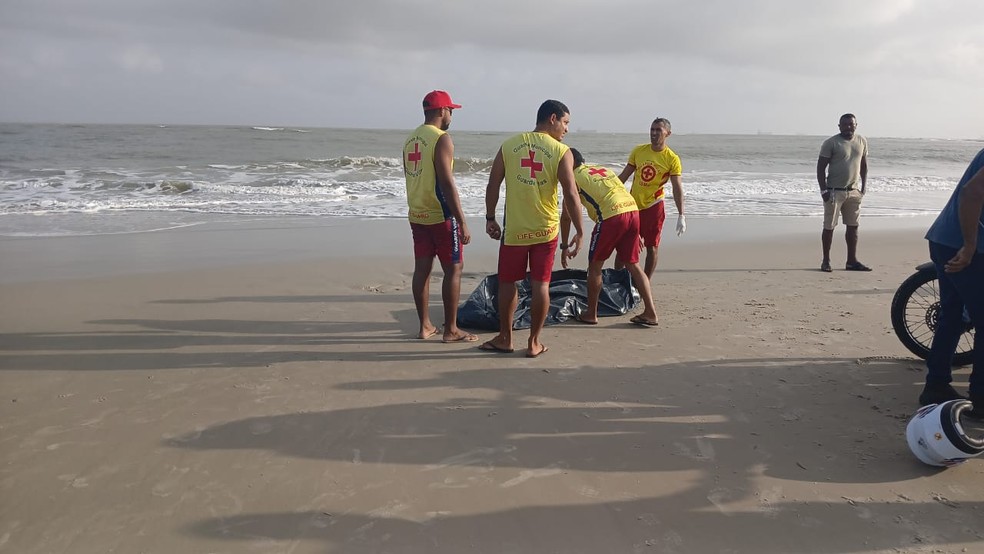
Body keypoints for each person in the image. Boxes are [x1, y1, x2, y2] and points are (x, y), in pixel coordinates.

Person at [480, 99, 585, 358]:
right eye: (565, 122)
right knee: (541, 285)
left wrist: (490, 218)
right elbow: (571, 194)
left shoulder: (509, 145)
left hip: (515, 229)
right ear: (552, 118)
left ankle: (505, 338)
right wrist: (580, 231)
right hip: (546, 230)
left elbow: (493, 185)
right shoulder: (562, 151)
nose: (566, 129)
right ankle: (534, 342)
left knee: (508, 282)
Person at [402, 90, 476, 343]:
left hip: (417, 213)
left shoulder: (411, 139)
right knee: (454, 268)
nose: (452, 115)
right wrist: (462, 220)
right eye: (451, 110)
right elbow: (446, 181)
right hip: (440, 215)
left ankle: (424, 326)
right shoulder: (441, 139)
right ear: (441, 111)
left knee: (422, 269)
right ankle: (451, 330)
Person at [917, 147, 984, 418]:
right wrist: (968, 247)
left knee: (952, 316)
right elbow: (971, 193)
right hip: (964, 247)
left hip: (944, 239)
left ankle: (936, 385)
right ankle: (980, 399)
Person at [561, 148, 660, 327]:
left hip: (611, 216)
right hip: (632, 210)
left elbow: (567, 215)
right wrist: (634, 231)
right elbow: (620, 191)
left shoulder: (572, 178)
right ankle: (650, 312)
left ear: (570, 163)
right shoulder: (603, 170)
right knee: (634, 265)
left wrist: (564, 245)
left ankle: (591, 313)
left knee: (595, 267)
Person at [618, 117, 685, 279]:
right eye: (652, 130)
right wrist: (607, 194)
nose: (654, 133)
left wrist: (681, 214)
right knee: (623, 246)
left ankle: (644, 283)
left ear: (667, 134)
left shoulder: (672, 158)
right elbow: (623, 177)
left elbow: (677, 188)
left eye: (658, 130)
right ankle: (617, 281)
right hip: (633, 205)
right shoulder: (639, 151)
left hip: (654, 207)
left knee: (651, 247)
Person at [817, 113, 870, 272]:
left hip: (853, 192)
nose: (848, 127)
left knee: (853, 227)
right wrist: (823, 189)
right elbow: (820, 168)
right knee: (829, 227)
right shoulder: (831, 143)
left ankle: (851, 261)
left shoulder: (862, 141)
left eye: (851, 124)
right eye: (844, 125)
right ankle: (826, 261)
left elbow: (864, 166)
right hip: (834, 192)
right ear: (839, 126)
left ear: (856, 125)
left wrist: (863, 187)